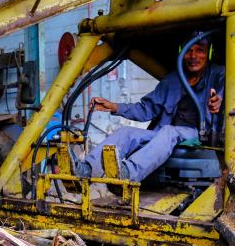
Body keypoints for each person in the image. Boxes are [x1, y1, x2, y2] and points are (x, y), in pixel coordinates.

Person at [74, 34, 224, 182]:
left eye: (200, 50)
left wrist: (221, 100)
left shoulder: (219, 75)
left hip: (199, 136)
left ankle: (129, 172)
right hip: (166, 136)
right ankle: (87, 170)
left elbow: (230, 91)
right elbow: (146, 109)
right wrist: (114, 106)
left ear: (209, 52)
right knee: (126, 132)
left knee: (169, 131)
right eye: (188, 50)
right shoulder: (173, 80)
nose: (193, 56)